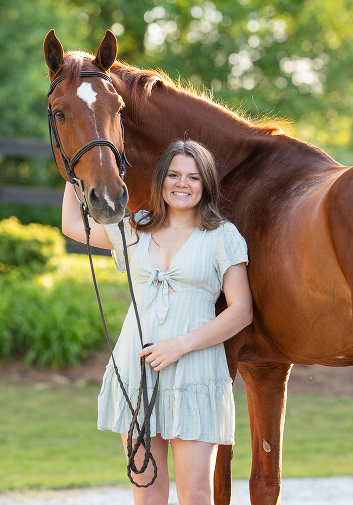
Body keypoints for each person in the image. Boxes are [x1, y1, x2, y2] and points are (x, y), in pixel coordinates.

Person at [61, 139, 253, 505]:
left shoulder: (222, 236)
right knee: (147, 495)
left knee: (196, 494)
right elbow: (73, 223)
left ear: (206, 184)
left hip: (194, 372)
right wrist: (77, 166)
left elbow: (241, 311)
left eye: (194, 177)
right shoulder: (136, 227)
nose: (183, 184)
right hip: (137, 371)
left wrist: (179, 346)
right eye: (175, 175)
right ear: (161, 179)